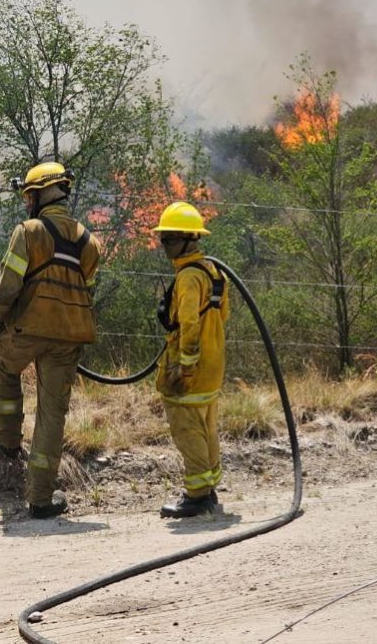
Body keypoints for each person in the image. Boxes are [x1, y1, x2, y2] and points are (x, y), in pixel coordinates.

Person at [0, 161, 102, 518]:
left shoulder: (28, 232)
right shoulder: (89, 240)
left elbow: (8, 287)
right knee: (52, 415)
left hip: (28, 329)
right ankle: (40, 499)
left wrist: (2, 320)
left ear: (39, 195)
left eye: (29, 196)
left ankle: (8, 445)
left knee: (4, 371)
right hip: (69, 335)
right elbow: (81, 277)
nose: (27, 203)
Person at [152, 202, 230, 518]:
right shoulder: (214, 271)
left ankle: (198, 495)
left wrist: (185, 365)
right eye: (164, 239)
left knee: (187, 427)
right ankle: (209, 488)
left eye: (169, 239)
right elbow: (223, 316)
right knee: (206, 425)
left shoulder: (187, 277)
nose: (165, 246)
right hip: (214, 364)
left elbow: (189, 324)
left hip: (192, 368)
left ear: (187, 238)